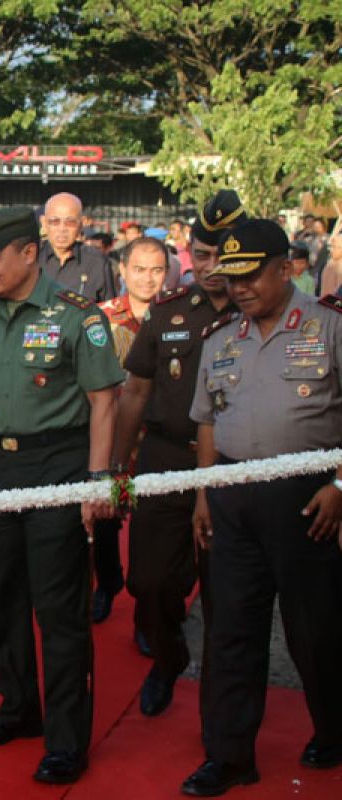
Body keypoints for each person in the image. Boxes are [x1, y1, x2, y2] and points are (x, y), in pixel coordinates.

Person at [0, 206, 124, 785]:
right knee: (3, 595)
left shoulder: (76, 317)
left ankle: (67, 738)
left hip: (60, 462)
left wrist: (97, 478)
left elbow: (104, 401)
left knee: (58, 606)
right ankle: (18, 707)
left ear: (27, 252)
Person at [181, 219, 342, 796]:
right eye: (232, 276)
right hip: (231, 498)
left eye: (251, 275)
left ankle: (333, 726)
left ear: (286, 268)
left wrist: (340, 487)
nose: (240, 287)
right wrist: (204, 492)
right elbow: (206, 421)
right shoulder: (222, 339)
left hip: (308, 500)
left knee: (316, 628)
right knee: (230, 631)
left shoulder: (329, 329)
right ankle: (228, 756)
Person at [112, 188, 242, 720]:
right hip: (164, 459)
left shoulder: (255, 311)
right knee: (149, 581)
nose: (212, 268)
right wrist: (117, 467)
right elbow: (136, 393)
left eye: (222, 257)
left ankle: (224, 695)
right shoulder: (168, 313)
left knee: (226, 589)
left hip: (234, 465)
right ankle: (167, 658)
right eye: (203, 256)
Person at [88, 237, 169, 623]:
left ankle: (148, 610)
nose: (147, 279)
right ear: (122, 270)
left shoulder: (177, 316)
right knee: (105, 517)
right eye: (139, 269)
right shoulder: (99, 319)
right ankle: (106, 584)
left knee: (153, 528)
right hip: (113, 435)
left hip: (160, 439)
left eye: (157, 270)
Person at [40, 193, 118, 303]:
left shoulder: (97, 263)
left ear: (81, 224)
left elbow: (109, 310)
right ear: (43, 222)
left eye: (70, 222)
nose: (62, 229)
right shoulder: (30, 260)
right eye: (55, 221)